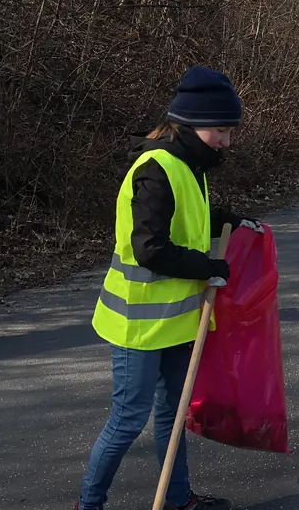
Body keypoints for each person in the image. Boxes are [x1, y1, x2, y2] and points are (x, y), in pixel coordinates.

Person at [77, 65, 262, 510]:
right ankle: (89, 504)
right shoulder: (155, 168)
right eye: (221, 130)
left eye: (230, 130)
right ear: (193, 123)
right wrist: (209, 266)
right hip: (136, 323)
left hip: (177, 321)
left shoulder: (190, 166)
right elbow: (150, 248)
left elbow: (190, 217)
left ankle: (178, 499)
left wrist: (231, 219)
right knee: (127, 420)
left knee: (173, 417)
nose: (226, 141)